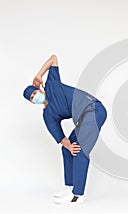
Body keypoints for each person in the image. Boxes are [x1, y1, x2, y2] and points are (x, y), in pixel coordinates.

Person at [23, 55, 107, 204]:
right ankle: (71, 187)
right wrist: (68, 145)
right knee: (68, 149)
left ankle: (78, 195)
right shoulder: (48, 115)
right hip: (83, 119)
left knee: (80, 149)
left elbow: (53, 58)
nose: (35, 97)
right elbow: (62, 139)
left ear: (39, 90)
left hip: (94, 110)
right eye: (32, 98)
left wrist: (38, 75)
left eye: (35, 93)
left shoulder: (52, 86)